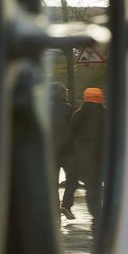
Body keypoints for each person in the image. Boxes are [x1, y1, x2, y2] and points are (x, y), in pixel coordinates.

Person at [61, 87, 107, 217]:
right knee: (93, 186)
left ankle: (66, 205)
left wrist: (68, 153)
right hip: (99, 155)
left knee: (73, 180)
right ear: (100, 99)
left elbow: (71, 134)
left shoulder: (78, 114)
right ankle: (96, 215)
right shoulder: (106, 114)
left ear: (85, 99)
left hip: (80, 154)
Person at [50, 83, 74, 220]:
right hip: (67, 152)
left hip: (50, 152)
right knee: (72, 179)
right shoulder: (70, 109)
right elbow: (75, 129)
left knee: (53, 184)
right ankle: (66, 205)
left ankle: (55, 211)